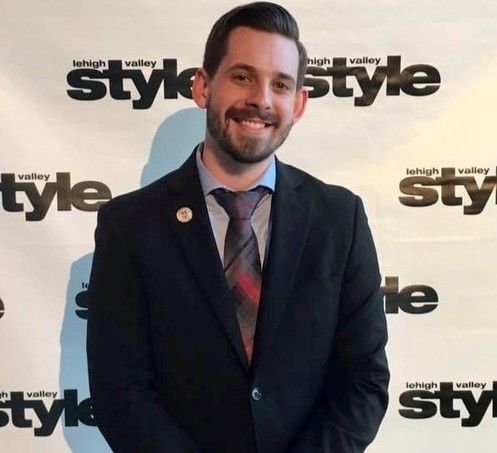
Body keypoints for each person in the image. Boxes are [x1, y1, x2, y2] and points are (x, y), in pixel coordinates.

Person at [86, 2, 389, 452]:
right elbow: (119, 391)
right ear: (203, 86)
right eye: (243, 76)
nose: (261, 100)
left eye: (280, 84)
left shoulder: (340, 220)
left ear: (298, 104)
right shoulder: (130, 226)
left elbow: (364, 381)